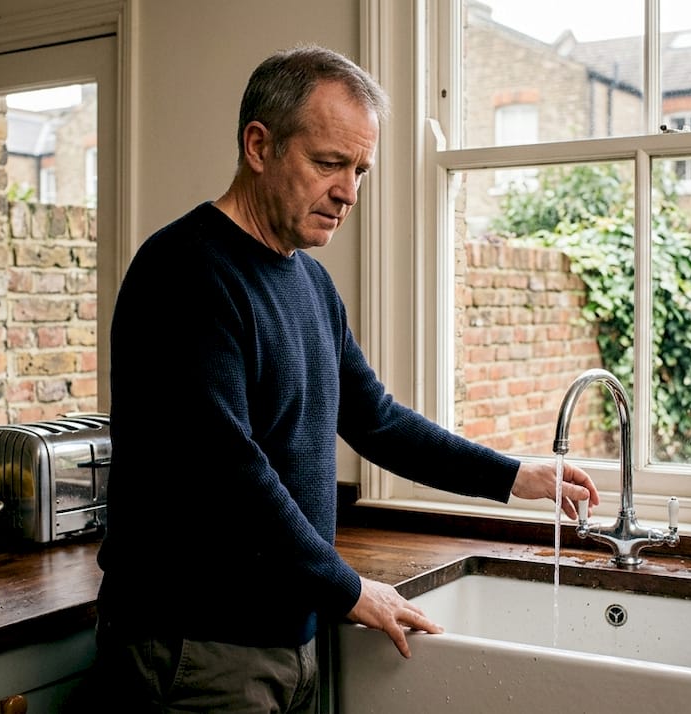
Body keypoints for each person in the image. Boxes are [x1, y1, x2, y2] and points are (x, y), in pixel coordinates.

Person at [87, 44, 600, 713]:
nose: (348, 192)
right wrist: (347, 586)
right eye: (330, 163)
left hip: (289, 638)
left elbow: (376, 419)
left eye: (360, 170)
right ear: (259, 145)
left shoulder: (311, 283)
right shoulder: (185, 273)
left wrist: (513, 476)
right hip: (194, 649)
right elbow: (229, 472)